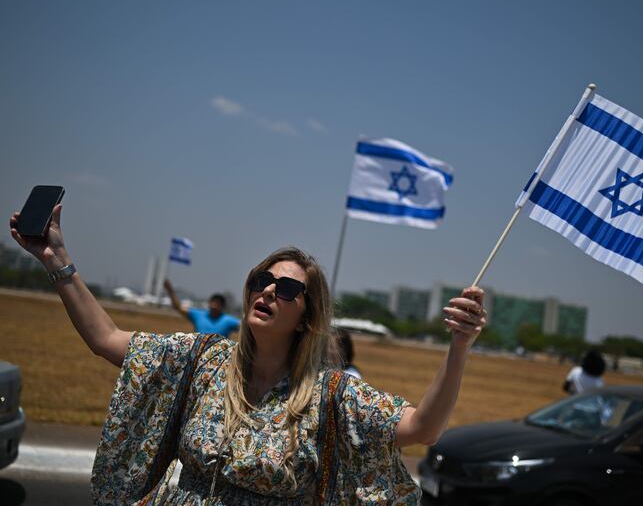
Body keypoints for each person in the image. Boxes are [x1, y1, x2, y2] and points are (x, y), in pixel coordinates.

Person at [10, 204, 487, 505]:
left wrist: (459, 346)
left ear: (305, 314)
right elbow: (107, 338)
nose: (267, 291)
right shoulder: (203, 360)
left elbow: (423, 427)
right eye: (261, 280)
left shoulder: (329, 394)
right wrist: (57, 263)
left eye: (286, 288)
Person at [164, 278, 240, 338]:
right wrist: (170, 290)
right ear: (209, 303)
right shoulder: (198, 315)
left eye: (217, 304)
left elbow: (246, 327)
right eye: (212, 302)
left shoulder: (228, 320)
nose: (214, 306)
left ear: (222, 307)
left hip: (217, 356)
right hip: (197, 354)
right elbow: (178, 307)